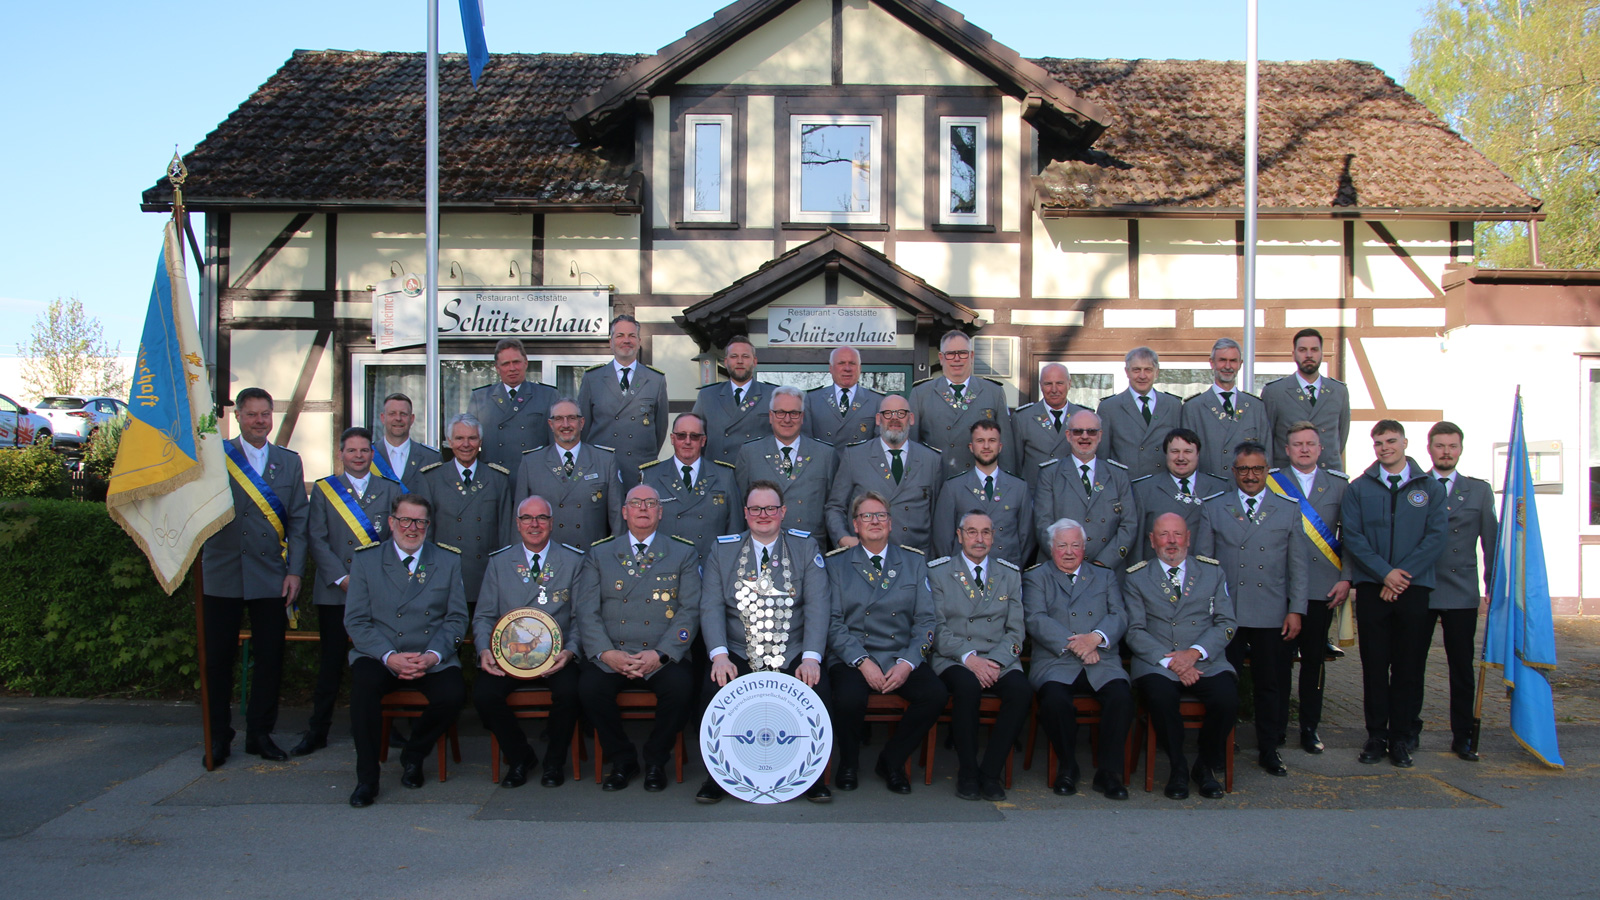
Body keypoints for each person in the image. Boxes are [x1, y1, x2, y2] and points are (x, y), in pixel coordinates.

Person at [694, 481, 833, 804]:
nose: (763, 515)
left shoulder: (804, 547)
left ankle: (813, 775)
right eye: (756, 509)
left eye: (770, 508)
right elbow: (711, 605)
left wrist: (811, 658)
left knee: (820, 691)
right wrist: (719, 656)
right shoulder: (723, 550)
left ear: (783, 512)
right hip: (739, 649)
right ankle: (717, 774)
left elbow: (818, 604)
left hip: (792, 648)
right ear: (745, 513)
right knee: (712, 690)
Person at [201, 387, 309, 765]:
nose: (259, 421)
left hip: (270, 574)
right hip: (222, 570)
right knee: (217, 659)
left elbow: (298, 521)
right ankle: (218, 736)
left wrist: (295, 571)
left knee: (270, 658)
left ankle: (260, 734)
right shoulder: (216, 457)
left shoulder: (288, 462)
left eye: (265, 414)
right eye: (252, 414)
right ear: (238, 417)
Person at [574, 484, 702, 792]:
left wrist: (661, 654)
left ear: (660, 512)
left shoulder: (682, 553)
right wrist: (606, 654)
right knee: (589, 688)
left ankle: (656, 759)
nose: (643, 508)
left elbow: (689, 611)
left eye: (650, 503)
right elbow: (586, 611)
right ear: (624, 512)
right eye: (635, 503)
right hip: (614, 653)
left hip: (660, 655)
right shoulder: (600, 553)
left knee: (681, 688)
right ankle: (622, 760)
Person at [343, 494, 468, 807]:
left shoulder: (447, 560)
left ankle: (414, 754)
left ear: (428, 525)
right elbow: (356, 621)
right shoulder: (367, 560)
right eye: (405, 520)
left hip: (428, 654)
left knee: (454, 693)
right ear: (391, 522)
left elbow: (456, 619)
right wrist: (389, 656)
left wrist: (432, 655)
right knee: (364, 689)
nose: (412, 528)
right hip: (381, 654)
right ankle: (367, 779)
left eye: (420, 522)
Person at [1340, 420, 1447, 769]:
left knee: (1408, 666)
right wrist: (1384, 574)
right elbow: (1353, 537)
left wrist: (1400, 577)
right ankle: (1376, 736)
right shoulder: (1358, 488)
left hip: (1414, 588)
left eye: (1390, 441)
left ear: (1404, 442)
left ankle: (1401, 738)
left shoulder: (1430, 488)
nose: (1385, 447)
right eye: (1378, 443)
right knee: (1374, 665)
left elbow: (1435, 537)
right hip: (1373, 588)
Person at [1198, 441, 1308, 777]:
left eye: (1257, 469)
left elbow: (1298, 566)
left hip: (1271, 611)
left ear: (1267, 471)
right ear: (1234, 472)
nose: (1250, 475)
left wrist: (1296, 609)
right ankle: (1221, 744)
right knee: (1224, 683)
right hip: (1227, 613)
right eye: (1244, 469)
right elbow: (1204, 566)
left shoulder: (1287, 509)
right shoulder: (1215, 507)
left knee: (1269, 684)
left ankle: (1269, 748)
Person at [824, 492, 947, 794]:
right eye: (866, 516)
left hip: (898, 654)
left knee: (935, 695)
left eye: (881, 515)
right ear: (855, 525)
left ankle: (891, 761)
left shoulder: (913, 561)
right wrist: (862, 662)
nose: (874, 521)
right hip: (854, 654)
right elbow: (833, 623)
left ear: (891, 523)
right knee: (848, 698)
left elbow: (926, 621)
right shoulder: (837, 564)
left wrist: (908, 663)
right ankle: (848, 762)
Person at [294, 426, 404, 757]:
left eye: (364, 450)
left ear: (372, 454)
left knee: (378, 660)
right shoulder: (325, 489)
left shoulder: (390, 489)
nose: (358, 456)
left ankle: (384, 726)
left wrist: (375, 581)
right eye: (352, 450)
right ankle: (318, 729)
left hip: (377, 593)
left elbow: (395, 541)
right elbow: (317, 539)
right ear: (341, 454)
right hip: (335, 592)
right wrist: (342, 578)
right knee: (330, 663)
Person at [472, 495, 585, 789]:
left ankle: (554, 762)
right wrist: (484, 649)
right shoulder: (499, 562)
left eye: (541, 518)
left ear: (552, 523)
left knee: (571, 692)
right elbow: (483, 616)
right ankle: (520, 757)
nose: (534, 524)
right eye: (527, 518)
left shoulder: (573, 561)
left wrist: (571, 651)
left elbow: (582, 617)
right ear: (518, 523)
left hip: (556, 656)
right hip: (508, 656)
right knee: (484, 695)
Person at [1124, 513, 1239, 800]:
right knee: (1161, 697)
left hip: (1205, 661)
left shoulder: (1212, 573)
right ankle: (1178, 768)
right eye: (1164, 535)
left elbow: (1226, 623)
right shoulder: (1137, 577)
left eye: (1177, 534)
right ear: (1152, 540)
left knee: (1226, 699)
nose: (1171, 541)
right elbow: (1134, 631)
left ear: (1188, 538)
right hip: (1158, 662)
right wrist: (1173, 662)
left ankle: (1204, 766)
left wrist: (1194, 653)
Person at [1024, 518, 1133, 800]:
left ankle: (1108, 773)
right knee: (1054, 701)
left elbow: (1119, 615)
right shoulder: (1036, 576)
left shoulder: (1104, 576)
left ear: (1085, 547)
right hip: (1056, 661)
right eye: (1062, 545)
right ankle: (1068, 766)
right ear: (1051, 548)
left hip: (1101, 660)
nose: (1069, 552)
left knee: (1121, 697)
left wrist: (1095, 638)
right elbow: (1035, 619)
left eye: (1075, 545)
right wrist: (1078, 645)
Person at [1266, 421, 1353, 755]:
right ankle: (1275, 727)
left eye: (1310, 444)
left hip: (1322, 586)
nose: (1304, 449)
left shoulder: (1339, 485)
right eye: (1298, 444)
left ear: (1321, 449)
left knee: (1314, 661)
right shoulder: (1272, 481)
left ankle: (1309, 727)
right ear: (1287, 450)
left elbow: (1352, 536)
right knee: (1279, 662)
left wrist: (1346, 578)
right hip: (1281, 586)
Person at [929, 511, 1028, 802]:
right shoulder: (938, 572)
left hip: (998, 657)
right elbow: (936, 628)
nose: (979, 539)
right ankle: (968, 773)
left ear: (993, 537)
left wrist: (995, 662)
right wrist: (969, 658)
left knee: (1021, 691)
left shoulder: (1009, 574)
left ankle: (990, 772)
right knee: (967, 687)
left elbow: (1016, 631)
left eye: (986, 532)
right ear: (959, 536)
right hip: (955, 657)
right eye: (972, 532)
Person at [1415, 421, 1498, 761]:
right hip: (1421, 586)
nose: (1446, 452)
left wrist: (1493, 585)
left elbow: (1490, 542)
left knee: (1462, 668)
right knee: (1411, 665)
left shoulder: (1478, 491)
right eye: (1440, 445)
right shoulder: (1415, 487)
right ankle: (1408, 730)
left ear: (1460, 449)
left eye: (1452, 446)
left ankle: (1463, 735)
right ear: (1429, 448)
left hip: (1461, 589)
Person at [414, 413, 514, 604]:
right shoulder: (432, 478)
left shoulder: (497, 478)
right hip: (445, 575)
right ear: (450, 441)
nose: (466, 444)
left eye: (472, 438)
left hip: (485, 576)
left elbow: (505, 533)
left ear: (480, 442)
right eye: (459, 438)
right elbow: (425, 533)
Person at [825, 394, 943, 554]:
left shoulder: (931, 459)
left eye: (901, 413)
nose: (894, 418)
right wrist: (843, 538)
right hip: (865, 555)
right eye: (888, 413)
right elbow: (835, 507)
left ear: (911, 419)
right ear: (878, 419)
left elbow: (939, 517)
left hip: (915, 558)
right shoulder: (855, 456)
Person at [735, 385, 839, 547]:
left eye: (794, 413)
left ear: (802, 417)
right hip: (762, 547)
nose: (787, 419)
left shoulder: (825, 454)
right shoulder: (750, 453)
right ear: (771, 416)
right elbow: (739, 506)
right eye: (780, 412)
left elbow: (833, 507)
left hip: (810, 547)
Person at [513, 398, 623, 548]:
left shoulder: (605, 460)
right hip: (549, 555)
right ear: (551, 424)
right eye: (559, 419)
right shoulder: (531, 462)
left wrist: (616, 554)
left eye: (571, 418)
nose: (565, 425)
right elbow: (519, 520)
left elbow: (617, 518)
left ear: (581, 423)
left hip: (591, 555)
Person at [1034, 409, 1135, 568]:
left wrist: (1103, 563)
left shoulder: (1118, 475)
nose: (1085, 436)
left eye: (1091, 431)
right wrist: (1069, 561)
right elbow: (1043, 525)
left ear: (1100, 435)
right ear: (1068, 435)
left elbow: (1129, 525)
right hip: (1061, 568)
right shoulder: (1050, 474)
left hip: (1107, 570)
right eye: (1078, 431)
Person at [578, 314, 669, 489]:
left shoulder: (655, 379)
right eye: (620, 335)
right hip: (602, 470)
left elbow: (660, 429)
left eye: (631, 336)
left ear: (639, 341)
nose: (626, 340)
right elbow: (583, 427)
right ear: (611, 342)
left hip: (640, 470)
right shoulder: (592, 378)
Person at [910, 330, 1012, 480]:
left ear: (971, 356)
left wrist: (1006, 485)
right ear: (941, 358)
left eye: (962, 353)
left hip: (979, 481)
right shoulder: (921, 393)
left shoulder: (993, 392)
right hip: (936, 480)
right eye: (950, 354)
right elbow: (912, 446)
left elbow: (1006, 446)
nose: (957, 359)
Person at [638, 413, 740, 561]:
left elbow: (735, 529)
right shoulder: (651, 476)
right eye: (681, 435)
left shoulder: (724, 476)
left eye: (694, 436)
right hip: (666, 564)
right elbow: (641, 528)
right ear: (672, 439)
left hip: (710, 565)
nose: (687, 441)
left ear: (703, 441)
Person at [932, 420, 1034, 567]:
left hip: (1006, 572)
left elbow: (1027, 539)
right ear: (971, 447)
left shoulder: (1019, 487)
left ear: (1000, 446)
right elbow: (943, 539)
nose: (986, 446)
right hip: (963, 572)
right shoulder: (953, 487)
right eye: (980, 441)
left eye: (992, 441)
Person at [1129, 428, 1226, 562]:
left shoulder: (1219, 488)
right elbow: (1137, 542)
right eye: (1175, 451)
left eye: (1188, 452)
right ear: (1166, 454)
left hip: (1205, 570)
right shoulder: (1144, 489)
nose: (1181, 458)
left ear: (1198, 454)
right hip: (1159, 569)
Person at [1181, 337, 1272, 480]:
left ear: (1240, 364)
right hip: (1208, 487)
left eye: (1233, 361)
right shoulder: (1193, 407)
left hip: (1247, 486)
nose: (1228, 366)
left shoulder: (1255, 407)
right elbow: (1186, 457)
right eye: (1222, 360)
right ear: (1212, 363)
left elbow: (1266, 455)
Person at [1262, 328, 1350, 472]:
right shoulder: (1275, 392)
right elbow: (1266, 439)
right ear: (1293, 354)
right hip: (1286, 477)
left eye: (1314, 349)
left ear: (1322, 353)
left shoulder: (1338, 391)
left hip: (1328, 474)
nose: (1309, 355)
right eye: (1302, 350)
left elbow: (1342, 436)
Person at [468, 337, 559, 473]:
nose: (512, 368)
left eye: (516, 362)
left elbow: (556, 443)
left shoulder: (547, 395)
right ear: (497, 368)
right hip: (493, 477)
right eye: (506, 364)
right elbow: (469, 443)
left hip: (534, 475)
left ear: (526, 363)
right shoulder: (480, 397)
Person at [1096, 347, 1182, 480]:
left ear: (1157, 372)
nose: (1142, 376)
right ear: (1127, 372)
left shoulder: (1172, 405)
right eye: (1136, 370)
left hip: (1164, 484)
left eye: (1148, 370)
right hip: (1126, 485)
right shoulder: (1109, 407)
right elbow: (1102, 457)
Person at [691, 335, 772, 465]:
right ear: (726, 361)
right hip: (718, 472)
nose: (740, 361)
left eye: (745, 356)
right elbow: (694, 439)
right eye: (734, 356)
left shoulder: (771, 395)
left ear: (755, 361)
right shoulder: (707, 396)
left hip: (757, 472)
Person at [1007, 362, 1087, 492]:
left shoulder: (1083, 416)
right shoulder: (1023, 418)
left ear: (1069, 384)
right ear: (1041, 385)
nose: (1054, 390)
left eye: (1059, 383)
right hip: (1035, 494)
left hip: (1073, 493)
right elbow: (1014, 464)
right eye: (1048, 384)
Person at [802, 346, 883, 446]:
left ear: (860, 368)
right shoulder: (812, 400)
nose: (847, 368)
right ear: (831, 368)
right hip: (824, 456)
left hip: (861, 456)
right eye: (841, 363)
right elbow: (806, 442)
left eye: (852, 363)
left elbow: (879, 444)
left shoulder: (877, 401)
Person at [372, 392, 435, 491]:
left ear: (412, 419)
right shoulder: (369, 455)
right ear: (383, 418)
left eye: (403, 414)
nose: (398, 418)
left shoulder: (431, 457)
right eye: (392, 414)